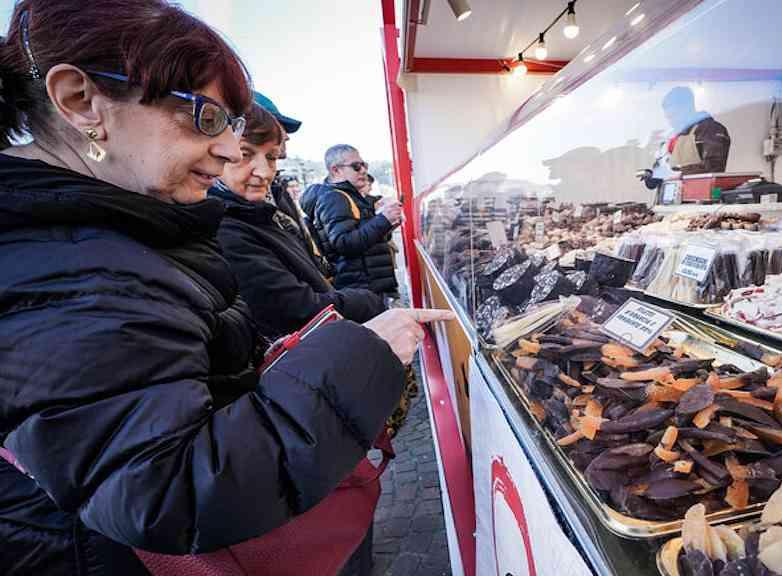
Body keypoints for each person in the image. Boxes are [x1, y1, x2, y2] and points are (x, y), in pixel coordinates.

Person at [0, 2, 452, 573]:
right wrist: (364, 354)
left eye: (236, 128)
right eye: (207, 117)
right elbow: (169, 491)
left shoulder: (116, 231)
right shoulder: (63, 265)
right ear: (80, 100)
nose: (231, 150)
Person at [210, 104, 386, 339]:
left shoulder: (262, 209)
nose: (264, 171)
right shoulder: (228, 226)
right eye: (245, 153)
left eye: (272, 157)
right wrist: (366, 300)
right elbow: (292, 307)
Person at [303, 144, 402, 296]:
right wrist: (383, 220)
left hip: (369, 286)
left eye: (364, 165)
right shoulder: (334, 197)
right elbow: (344, 243)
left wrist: (387, 225)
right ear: (336, 170)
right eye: (356, 166)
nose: (363, 170)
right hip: (362, 290)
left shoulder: (349, 195)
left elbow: (367, 241)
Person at [639, 86, 732, 190]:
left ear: (688, 108)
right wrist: (652, 176)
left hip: (698, 201)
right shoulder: (670, 137)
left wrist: (675, 173)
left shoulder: (709, 129)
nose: (671, 122)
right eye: (668, 117)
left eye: (674, 116)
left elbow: (713, 168)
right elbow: (662, 170)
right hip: (669, 202)